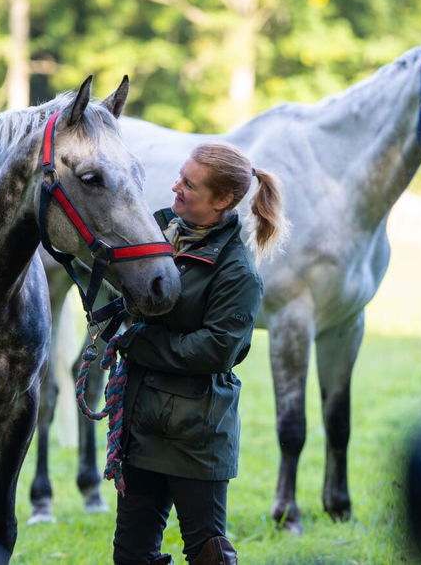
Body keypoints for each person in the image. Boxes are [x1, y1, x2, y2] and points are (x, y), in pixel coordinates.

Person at [112, 142, 284, 565]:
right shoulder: (157, 234)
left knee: (208, 555)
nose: (175, 187)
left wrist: (139, 342)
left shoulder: (238, 273)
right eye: (179, 176)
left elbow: (216, 349)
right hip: (142, 423)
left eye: (189, 184)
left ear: (223, 200)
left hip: (196, 436)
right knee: (130, 557)